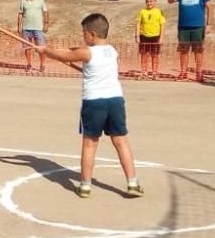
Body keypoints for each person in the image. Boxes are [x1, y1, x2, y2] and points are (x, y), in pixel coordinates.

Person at [37, 13, 142, 199]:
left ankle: (85, 186)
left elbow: (65, 55)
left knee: (89, 145)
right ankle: (132, 183)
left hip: (94, 102)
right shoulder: (112, 50)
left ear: (92, 34)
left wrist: (45, 50)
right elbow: (80, 52)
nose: (83, 36)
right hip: (115, 100)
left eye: (84, 33)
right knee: (121, 141)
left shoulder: (87, 52)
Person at [168, 0, 212, 81]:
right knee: (183, 51)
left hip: (198, 27)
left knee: (198, 51)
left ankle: (199, 72)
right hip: (183, 27)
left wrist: (209, 24)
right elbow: (170, 1)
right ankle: (183, 72)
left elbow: (210, 8)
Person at [17, 0, 49, 72]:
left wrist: (46, 23)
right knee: (27, 47)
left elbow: (46, 11)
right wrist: (19, 26)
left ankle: (42, 65)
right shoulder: (24, 0)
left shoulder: (41, 0)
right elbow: (20, 14)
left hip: (38, 28)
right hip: (26, 28)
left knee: (40, 48)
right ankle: (29, 64)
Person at [135, 0, 165, 80]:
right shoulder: (142, 11)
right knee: (144, 55)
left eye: (151, 1)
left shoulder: (159, 11)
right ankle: (144, 73)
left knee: (155, 56)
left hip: (155, 36)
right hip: (144, 36)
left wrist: (161, 37)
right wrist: (137, 36)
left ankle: (154, 73)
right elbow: (138, 24)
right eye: (147, 1)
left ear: (155, 1)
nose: (149, 3)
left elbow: (162, 25)